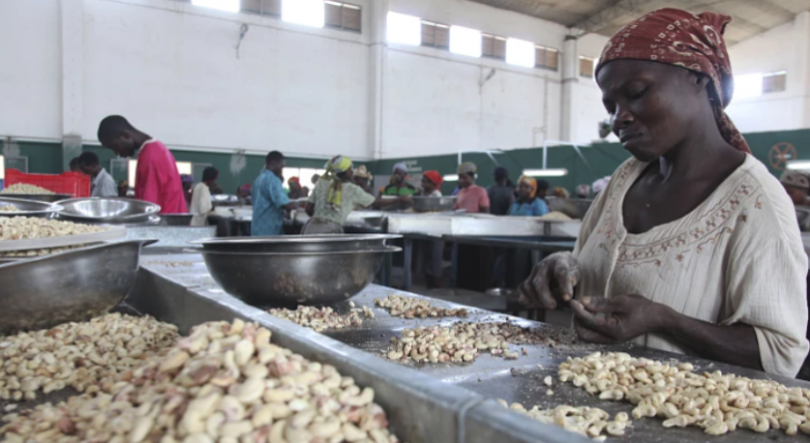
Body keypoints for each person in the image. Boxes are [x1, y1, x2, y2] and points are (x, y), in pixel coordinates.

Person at [519, 8, 808, 378]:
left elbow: (781, 354)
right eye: (611, 106)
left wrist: (666, 321)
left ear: (698, 79)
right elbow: (587, 263)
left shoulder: (755, 202)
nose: (619, 118)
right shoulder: (625, 180)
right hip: (586, 410)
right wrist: (561, 267)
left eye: (636, 93)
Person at [97, 116, 187, 213]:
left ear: (125, 135)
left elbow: (148, 208)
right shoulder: (156, 148)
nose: (116, 153)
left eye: (114, 146)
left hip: (163, 225)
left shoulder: (150, 157)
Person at [304, 156, 404, 234]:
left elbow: (308, 209)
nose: (352, 171)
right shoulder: (352, 190)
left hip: (309, 228)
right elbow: (376, 201)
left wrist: (322, 217)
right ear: (343, 171)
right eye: (350, 169)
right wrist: (398, 199)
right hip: (330, 231)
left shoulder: (321, 182)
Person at [252, 151, 297, 236]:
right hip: (269, 231)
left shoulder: (258, 179)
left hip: (257, 229)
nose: (282, 170)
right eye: (281, 167)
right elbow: (284, 204)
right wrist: (298, 205)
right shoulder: (273, 180)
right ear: (272, 163)